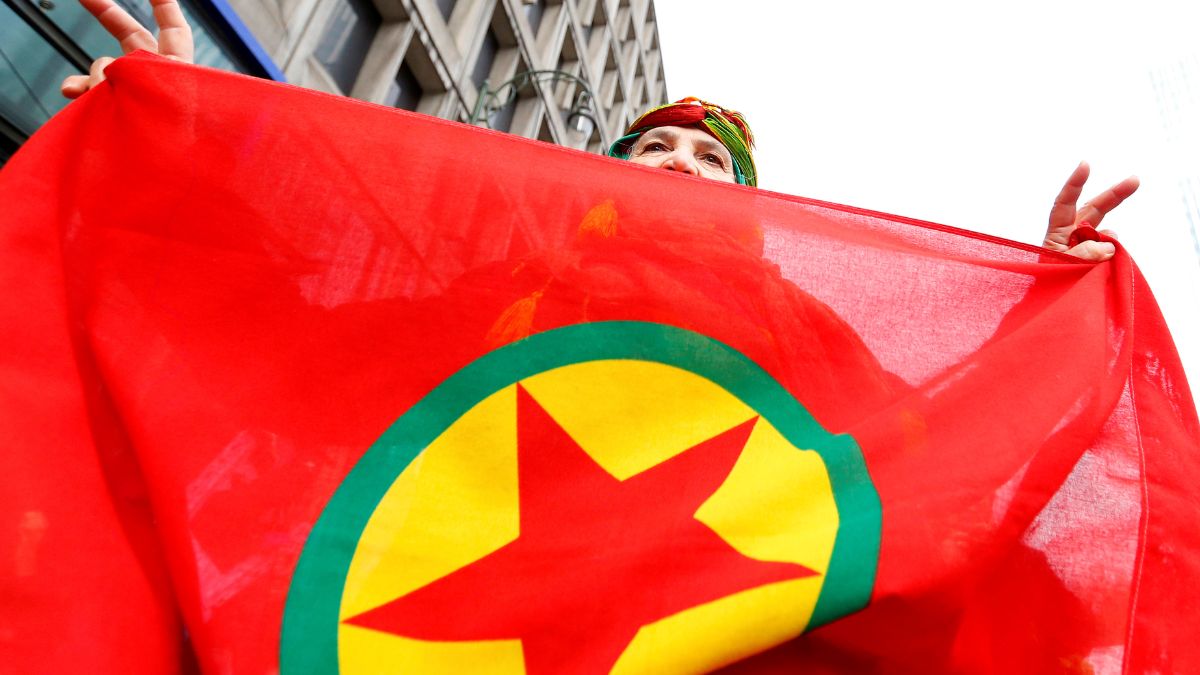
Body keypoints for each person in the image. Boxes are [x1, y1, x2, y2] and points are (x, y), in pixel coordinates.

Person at [62, 0, 1140, 262]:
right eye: (654, 148)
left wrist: (1029, 303)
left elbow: (940, 461)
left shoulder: (802, 334)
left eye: (713, 161)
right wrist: (189, 129)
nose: (678, 162)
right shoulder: (494, 265)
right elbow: (301, 275)